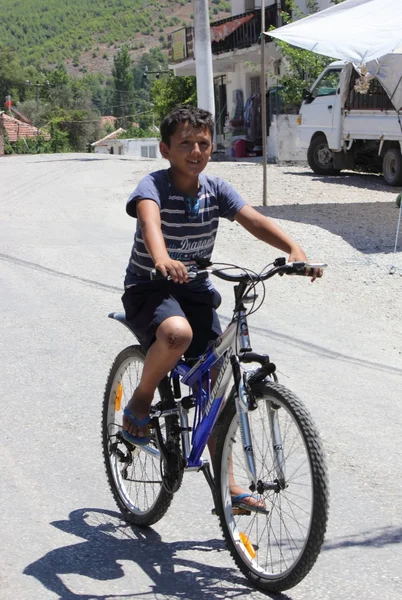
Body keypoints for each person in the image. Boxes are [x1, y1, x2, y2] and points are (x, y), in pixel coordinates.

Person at [121, 104, 321, 510]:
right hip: (149, 288)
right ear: (165, 149)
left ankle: (228, 488)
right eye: (185, 144)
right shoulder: (152, 187)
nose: (196, 151)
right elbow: (151, 225)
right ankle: (141, 399)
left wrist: (293, 249)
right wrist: (161, 258)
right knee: (177, 334)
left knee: (217, 386)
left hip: (194, 291)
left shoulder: (216, 189)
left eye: (203, 144)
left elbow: (252, 219)